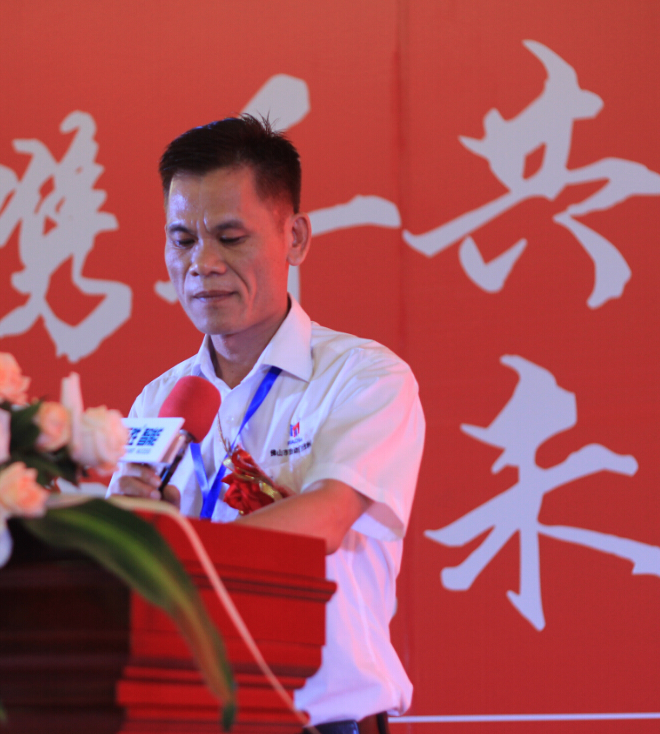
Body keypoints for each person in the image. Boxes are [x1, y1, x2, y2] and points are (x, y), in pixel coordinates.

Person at [109, 115, 424, 734]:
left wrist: (180, 551)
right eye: (182, 239)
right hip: (185, 716)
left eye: (230, 237)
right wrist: (130, 524)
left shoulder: (363, 377)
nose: (202, 263)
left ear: (295, 237)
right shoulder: (158, 400)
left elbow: (327, 518)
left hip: (320, 719)